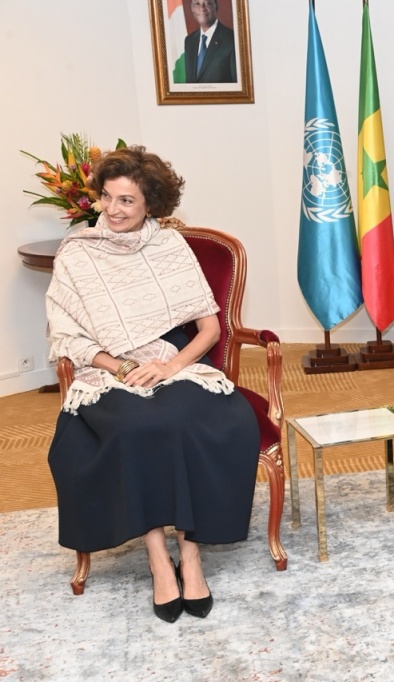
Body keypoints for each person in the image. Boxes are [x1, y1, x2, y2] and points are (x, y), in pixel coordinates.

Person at [46, 146, 259, 622]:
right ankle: (158, 558)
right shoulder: (78, 252)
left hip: (173, 359)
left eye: (127, 201)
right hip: (107, 367)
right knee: (137, 428)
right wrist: (118, 368)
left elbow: (208, 329)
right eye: (107, 198)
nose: (113, 210)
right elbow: (67, 335)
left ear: (150, 205)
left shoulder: (169, 246)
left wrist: (170, 368)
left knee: (191, 422)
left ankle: (191, 554)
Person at [184, 0, 237, 84]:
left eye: (207, 3)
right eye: (197, 4)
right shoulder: (189, 41)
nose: (202, 8)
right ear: (192, 8)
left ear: (216, 6)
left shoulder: (232, 39)